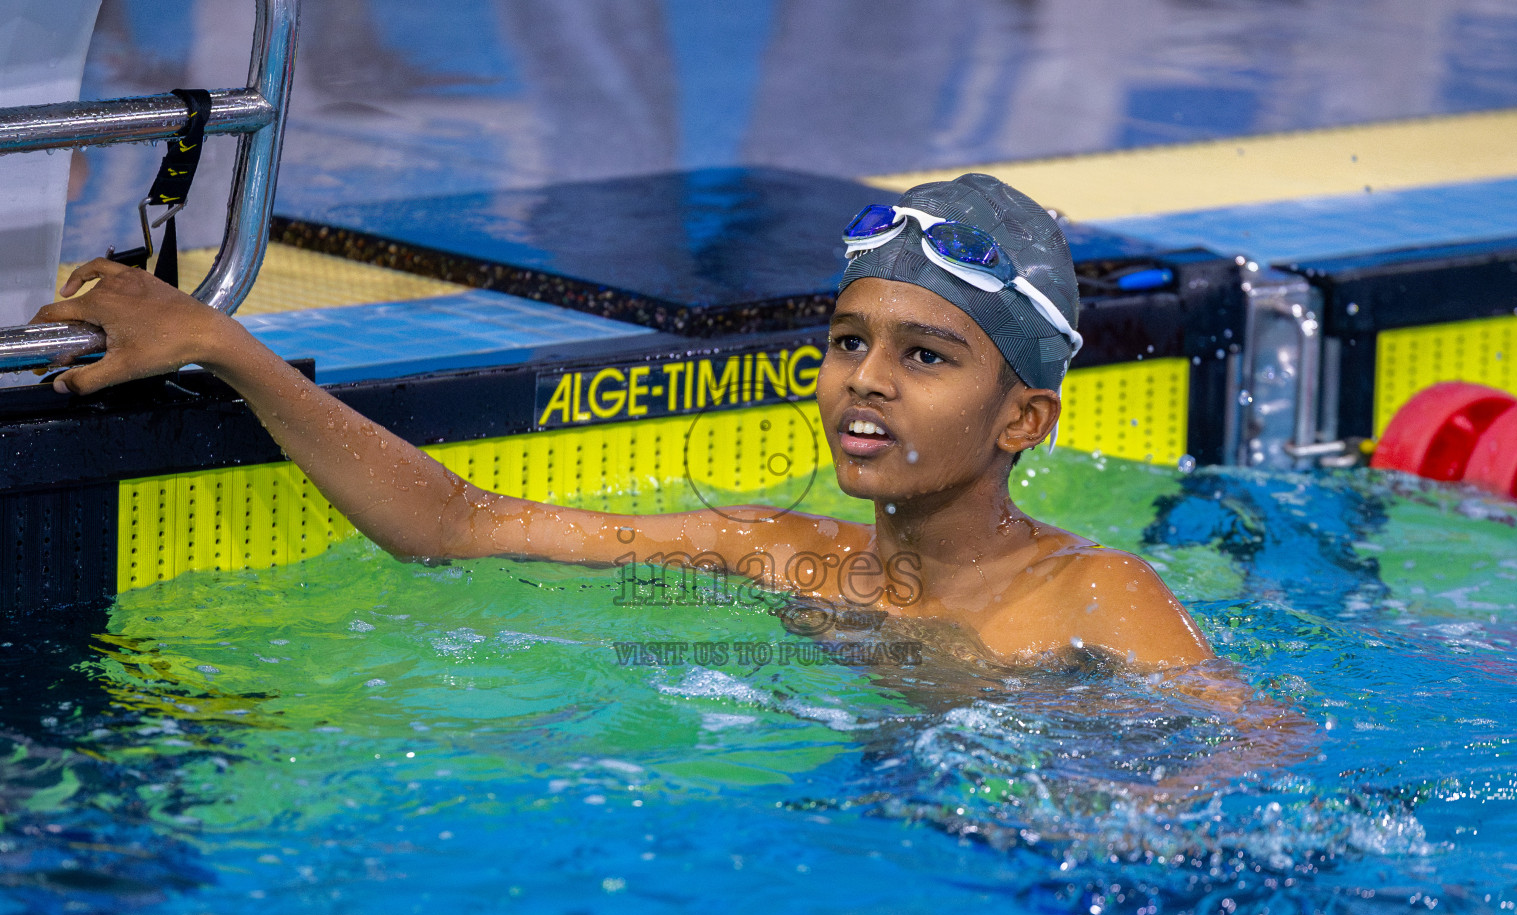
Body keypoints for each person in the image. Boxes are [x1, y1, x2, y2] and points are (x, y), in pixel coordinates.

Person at [38, 174, 1212, 672]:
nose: (866, 380)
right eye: (849, 341)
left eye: (926, 355)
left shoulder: (1098, 597)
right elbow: (458, 523)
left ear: (1024, 417)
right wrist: (230, 348)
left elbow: (1239, 772)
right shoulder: (778, 554)